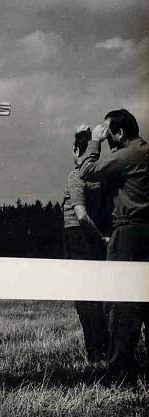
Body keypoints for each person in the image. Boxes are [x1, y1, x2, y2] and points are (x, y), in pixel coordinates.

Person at [78, 109, 149, 374]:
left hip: (128, 233)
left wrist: (94, 142)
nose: (109, 141)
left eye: (110, 135)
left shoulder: (128, 156)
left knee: (121, 302)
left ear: (119, 132)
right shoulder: (144, 152)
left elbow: (87, 170)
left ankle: (121, 369)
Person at [62, 125, 110, 362]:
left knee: (84, 297)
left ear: (75, 151)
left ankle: (96, 351)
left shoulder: (75, 175)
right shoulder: (100, 177)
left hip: (79, 238)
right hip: (97, 238)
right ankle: (104, 348)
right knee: (99, 295)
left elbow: (81, 216)